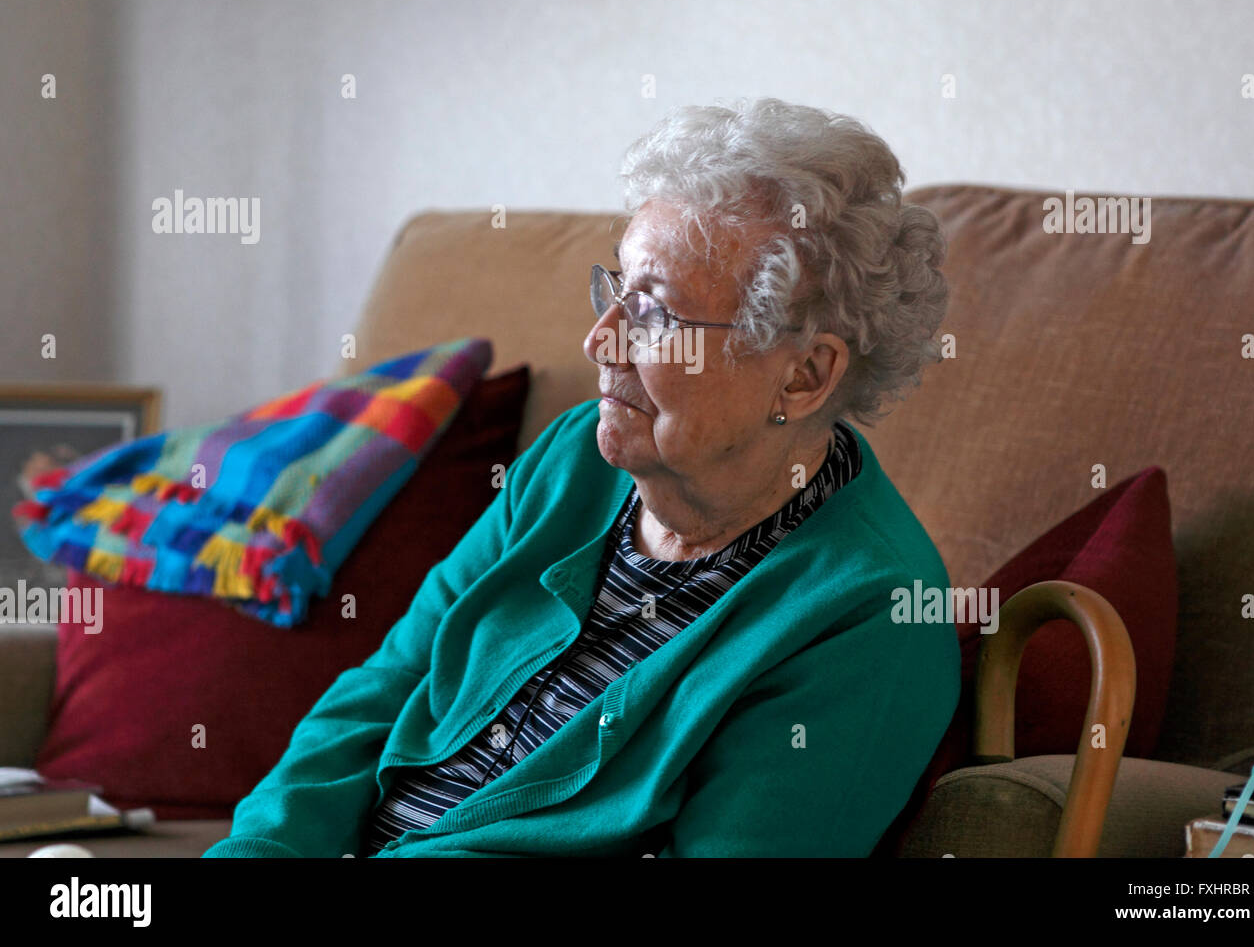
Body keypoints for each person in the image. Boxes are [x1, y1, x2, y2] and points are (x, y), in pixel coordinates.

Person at [203, 97, 960, 858]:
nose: (601, 339)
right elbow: (387, 687)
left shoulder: (869, 614)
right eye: (614, 291)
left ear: (803, 374)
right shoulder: (578, 460)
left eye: (657, 314)